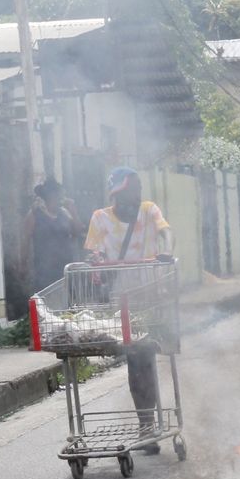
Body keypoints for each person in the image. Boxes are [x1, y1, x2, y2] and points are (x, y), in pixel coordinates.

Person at [84, 167, 175, 449]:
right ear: (117, 193)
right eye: (131, 191)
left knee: (143, 359)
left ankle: (148, 425)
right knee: (137, 363)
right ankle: (147, 424)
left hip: (150, 297)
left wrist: (167, 251)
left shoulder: (148, 211)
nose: (136, 196)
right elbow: (92, 250)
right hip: (120, 302)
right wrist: (96, 258)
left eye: (138, 190)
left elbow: (166, 232)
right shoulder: (100, 218)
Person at [21, 177, 83, 292]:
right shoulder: (34, 214)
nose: (58, 198)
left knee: (67, 304)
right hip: (43, 271)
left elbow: (77, 232)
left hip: (65, 270)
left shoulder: (65, 214)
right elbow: (25, 240)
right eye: (55, 195)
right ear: (47, 196)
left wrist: (74, 212)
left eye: (59, 195)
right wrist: (23, 265)